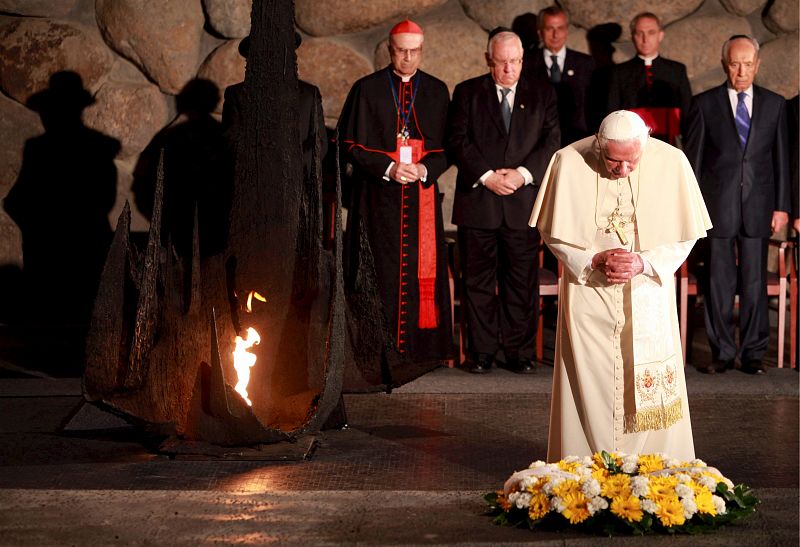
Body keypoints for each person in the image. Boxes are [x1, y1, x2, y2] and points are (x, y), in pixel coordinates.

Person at [530, 110, 711, 461]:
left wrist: (645, 262)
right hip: (589, 292)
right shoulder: (568, 161)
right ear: (599, 145)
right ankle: (586, 462)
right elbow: (552, 231)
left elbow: (686, 235)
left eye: (631, 162)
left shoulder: (671, 162)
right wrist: (592, 260)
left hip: (646, 287)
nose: (623, 171)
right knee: (590, 379)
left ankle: (653, 462)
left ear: (644, 144)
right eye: (613, 161)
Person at [337, 20, 453, 388]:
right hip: (378, 199)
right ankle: (375, 349)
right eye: (401, 50)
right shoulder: (367, 89)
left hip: (420, 197)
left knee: (423, 270)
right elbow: (349, 144)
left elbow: (450, 146)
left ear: (422, 49)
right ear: (389, 49)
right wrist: (387, 166)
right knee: (380, 269)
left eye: (414, 50)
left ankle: (419, 350)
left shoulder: (436, 90)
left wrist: (422, 167)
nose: (407, 57)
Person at [448, 30, 560, 374]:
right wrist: (488, 176)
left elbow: (552, 140)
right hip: (479, 202)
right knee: (477, 283)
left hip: (521, 205)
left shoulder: (542, 93)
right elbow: (456, 140)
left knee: (520, 283)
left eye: (515, 61)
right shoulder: (467, 92)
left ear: (523, 60)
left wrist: (522, 174)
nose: (509, 68)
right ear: (488, 60)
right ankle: (481, 353)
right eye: (502, 62)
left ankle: (519, 352)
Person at [684, 35, 790, 375]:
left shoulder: (775, 104)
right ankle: (722, 351)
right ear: (724, 64)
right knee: (718, 282)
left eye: (747, 63)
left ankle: (754, 352)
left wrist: (782, 207)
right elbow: (694, 163)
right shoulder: (705, 104)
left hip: (760, 206)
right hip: (717, 207)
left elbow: (782, 161)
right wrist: (694, 208)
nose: (741, 71)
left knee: (755, 282)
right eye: (734, 63)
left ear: (757, 65)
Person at [223, 32, 327, 175]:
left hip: (298, 182)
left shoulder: (309, 94)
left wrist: (294, 168)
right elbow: (231, 140)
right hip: (255, 181)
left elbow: (319, 142)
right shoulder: (237, 94)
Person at [606, 12, 692, 139]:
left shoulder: (676, 70)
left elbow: (688, 112)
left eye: (651, 32)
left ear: (660, 35)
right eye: (639, 33)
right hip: (631, 141)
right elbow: (612, 115)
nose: (645, 39)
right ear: (633, 36)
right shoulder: (619, 73)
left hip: (669, 141)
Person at [522, 6, 595, 146]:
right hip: (536, 141)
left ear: (566, 31)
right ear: (540, 32)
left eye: (560, 28)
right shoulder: (525, 63)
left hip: (578, 140)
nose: (555, 35)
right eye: (549, 29)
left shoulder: (585, 63)